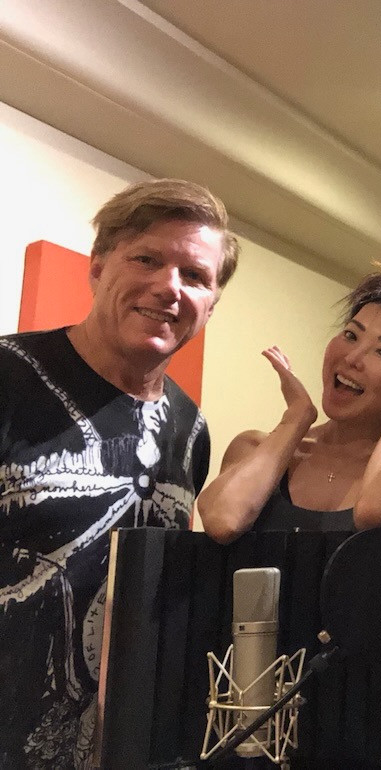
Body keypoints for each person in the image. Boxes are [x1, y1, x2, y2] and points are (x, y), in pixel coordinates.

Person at [0, 179, 239, 769]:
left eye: (195, 275)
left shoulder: (191, 429)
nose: (170, 287)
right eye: (147, 259)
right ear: (98, 266)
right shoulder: (8, 375)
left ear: (212, 303)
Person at [197, 259, 381, 542]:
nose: (352, 358)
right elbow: (223, 522)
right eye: (351, 335)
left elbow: (374, 514)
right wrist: (296, 417)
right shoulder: (253, 447)